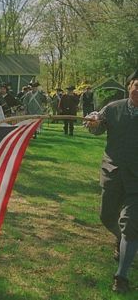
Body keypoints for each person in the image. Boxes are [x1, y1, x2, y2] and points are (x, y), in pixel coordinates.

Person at [85, 70, 138, 293]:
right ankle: (123, 240)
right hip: (113, 173)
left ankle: (121, 276)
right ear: (129, 86)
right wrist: (93, 123)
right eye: (136, 85)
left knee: (131, 224)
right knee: (107, 217)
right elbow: (95, 129)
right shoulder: (113, 108)